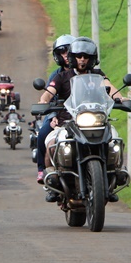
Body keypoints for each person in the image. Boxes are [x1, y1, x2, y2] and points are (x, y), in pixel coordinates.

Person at [37, 37, 119, 202]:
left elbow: (111, 88)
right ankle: (52, 180)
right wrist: (43, 102)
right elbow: (49, 93)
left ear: (92, 59)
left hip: (97, 122)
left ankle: (113, 175)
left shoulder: (98, 75)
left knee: (115, 142)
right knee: (51, 144)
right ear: (73, 57)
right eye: (79, 56)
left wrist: (120, 98)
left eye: (86, 56)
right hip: (67, 123)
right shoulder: (61, 76)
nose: (82, 59)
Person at [35, 34, 75, 184]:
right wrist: (52, 115)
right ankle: (42, 169)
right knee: (43, 133)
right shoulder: (56, 75)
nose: (65, 55)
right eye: (61, 52)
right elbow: (48, 96)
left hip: (82, 114)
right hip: (58, 113)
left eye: (68, 51)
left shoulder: (87, 73)